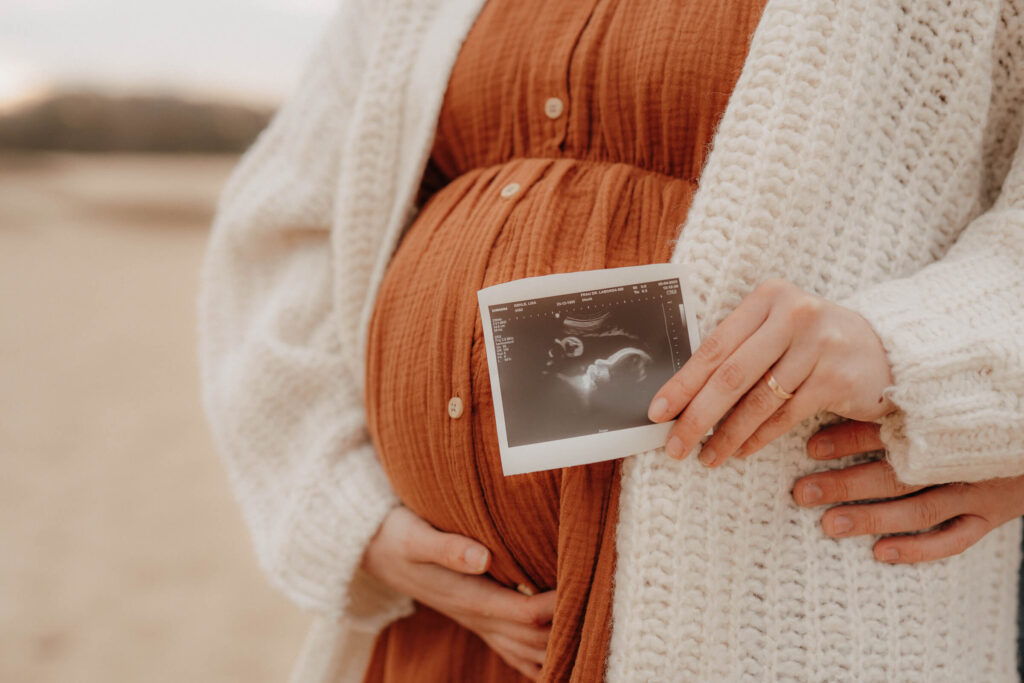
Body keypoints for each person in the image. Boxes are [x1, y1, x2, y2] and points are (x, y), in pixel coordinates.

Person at [198, 0, 1024, 680]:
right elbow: (282, 229)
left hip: (769, 610)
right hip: (446, 629)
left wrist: (914, 350)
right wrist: (352, 518)